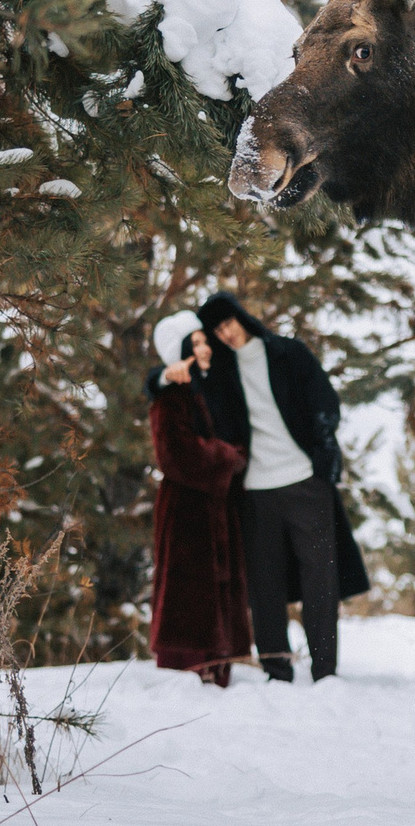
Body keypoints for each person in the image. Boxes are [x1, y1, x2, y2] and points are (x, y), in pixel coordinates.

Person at [164, 292, 369, 682]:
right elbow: (189, 405)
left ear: (242, 317)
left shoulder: (288, 352)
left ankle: (326, 672)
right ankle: (276, 669)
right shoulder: (220, 373)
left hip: (306, 482)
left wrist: (323, 455)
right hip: (255, 491)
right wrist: (174, 375)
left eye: (229, 323)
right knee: (264, 585)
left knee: (320, 582)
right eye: (217, 330)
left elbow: (325, 402)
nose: (226, 334)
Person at [142, 317, 253, 687]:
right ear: (181, 351)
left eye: (206, 341)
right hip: (186, 509)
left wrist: (230, 456)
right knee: (189, 586)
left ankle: (217, 662)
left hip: (215, 506)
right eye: (196, 342)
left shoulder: (206, 389)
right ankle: (188, 662)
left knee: (217, 582)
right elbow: (175, 453)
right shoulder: (171, 396)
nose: (205, 348)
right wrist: (228, 457)